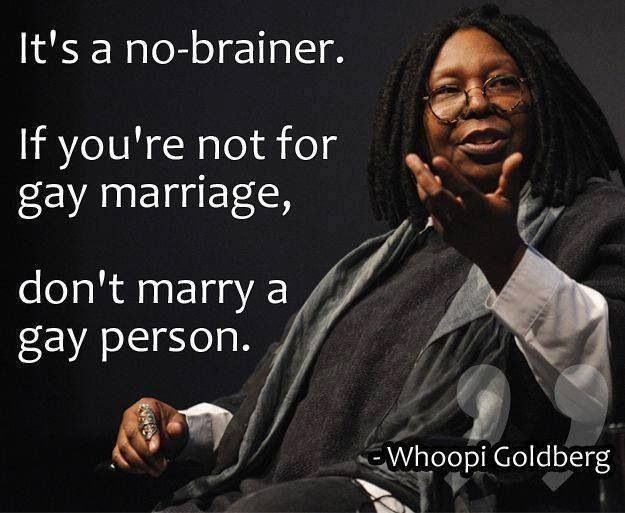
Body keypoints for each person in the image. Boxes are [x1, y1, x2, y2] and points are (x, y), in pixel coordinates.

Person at [111, 5, 625, 512]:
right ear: (417, 126)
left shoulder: (595, 219)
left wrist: (506, 261)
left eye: (503, 83)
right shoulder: (371, 269)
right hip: (273, 494)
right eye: (448, 91)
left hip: (411, 495)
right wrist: (182, 427)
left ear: (541, 97)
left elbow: (608, 375)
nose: (476, 102)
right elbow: (271, 413)